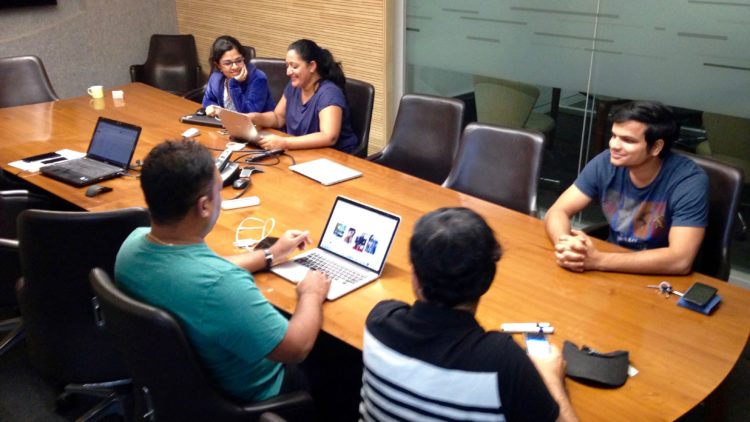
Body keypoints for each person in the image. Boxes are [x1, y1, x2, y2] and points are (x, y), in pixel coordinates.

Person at [114, 139, 330, 402]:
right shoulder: (222, 285)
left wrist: (270, 255)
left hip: (178, 391)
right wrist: (311, 293)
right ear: (204, 206)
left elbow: (199, 270)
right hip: (248, 397)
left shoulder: (132, 244)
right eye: (219, 190)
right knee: (335, 353)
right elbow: (296, 347)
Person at [360, 207, 578, 422]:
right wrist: (551, 381)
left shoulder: (379, 321)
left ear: (415, 277)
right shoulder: (503, 361)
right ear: (488, 280)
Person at [544, 101, 708, 275]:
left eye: (627, 140)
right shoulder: (605, 162)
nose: (614, 145)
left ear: (656, 147)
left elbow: (679, 260)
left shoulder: (688, 181)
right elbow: (557, 211)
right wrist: (567, 245)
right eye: (614, 136)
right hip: (612, 265)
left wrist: (598, 260)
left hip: (659, 276)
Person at [248, 39, 358, 153]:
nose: (288, 72)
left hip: (335, 158)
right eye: (287, 66)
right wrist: (254, 118)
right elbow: (278, 117)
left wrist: (285, 142)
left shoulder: (329, 93)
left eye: (294, 66)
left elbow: (329, 136)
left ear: (312, 66)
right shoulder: (294, 86)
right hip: (303, 152)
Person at [202, 35, 275, 117]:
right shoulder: (217, 77)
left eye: (239, 61)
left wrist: (234, 84)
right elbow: (207, 99)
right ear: (218, 65)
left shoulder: (258, 78)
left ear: (244, 58)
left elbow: (247, 114)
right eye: (228, 63)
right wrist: (211, 107)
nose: (235, 67)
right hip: (228, 126)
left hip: (260, 128)